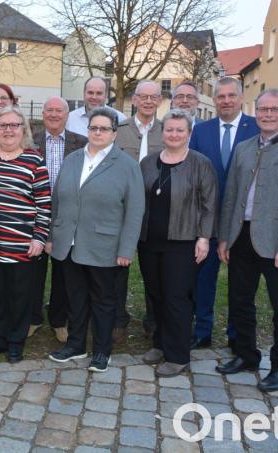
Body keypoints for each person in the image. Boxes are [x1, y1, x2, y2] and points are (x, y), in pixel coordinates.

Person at [215, 89, 278, 393]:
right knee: (240, 301)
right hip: (241, 237)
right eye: (263, 109)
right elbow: (231, 196)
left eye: (275, 109)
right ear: (254, 111)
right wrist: (224, 238)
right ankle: (246, 355)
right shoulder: (244, 148)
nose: (268, 115)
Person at [46, 108, 144, 373]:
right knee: (75, 298)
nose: (97, 133)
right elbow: (57, 200)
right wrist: (53, 236)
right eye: (93, 128)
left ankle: (102, 351)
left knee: (103, 300)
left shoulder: (126, 165)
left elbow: (135, 211)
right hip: (69, 242)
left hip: (104, 245)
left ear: (114, 133)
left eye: (103, 129)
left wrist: (126, 248)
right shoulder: (73, 158)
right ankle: (76, 345)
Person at [138, 110, 217, 377]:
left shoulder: (200, 163)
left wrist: (204, 238)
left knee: (176, 298)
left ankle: (178, 354)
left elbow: (209, 205)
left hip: (183, 242)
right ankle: (160, 344)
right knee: (156, 295)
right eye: (169, 130)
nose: (173, 134)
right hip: (149, 241)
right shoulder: (148, 163)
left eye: (179, 130)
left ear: (188, 133)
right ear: (162, 133)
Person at [188, 77, 260, 351]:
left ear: (241, 97)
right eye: (221, 96)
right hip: (208, 218)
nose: (226, 101)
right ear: (214, 99)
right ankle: (202, 331)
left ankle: (236, 333)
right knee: (203, 280)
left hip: (245, 220)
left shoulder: (256, 127)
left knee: (241, 283)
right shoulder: (201, 130)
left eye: (232, 95)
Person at [0, 106, 51, 364]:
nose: (8, 130)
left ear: (23, 130)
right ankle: (0, 339)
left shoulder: (34, 160)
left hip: (22, 243)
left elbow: (44, 202)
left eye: (14, 125)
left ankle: (17, 342)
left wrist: (39, 238)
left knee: (20, 296)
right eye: (3, 125)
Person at [30, 96, 87, 342]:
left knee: (64, 271)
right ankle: (32, 317)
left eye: (58, 111)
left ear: (67, 115)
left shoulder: (81, 143)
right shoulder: (29, 140)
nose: (54, 115)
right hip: (34, 213)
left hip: (67, 215)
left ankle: (58, 319)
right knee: (33, 269)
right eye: (49, 110)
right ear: (43, 114)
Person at [113, 79, 165, 340]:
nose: (147, 101)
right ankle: (118, 319)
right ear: (134, 100)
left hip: (155, 210)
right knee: (117, 268)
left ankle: (154, 320)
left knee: (153, 269)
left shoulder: (168, 131)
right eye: (142, 96)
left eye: (153, 97)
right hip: (121, 209)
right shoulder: (118, 130)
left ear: (159, 101)